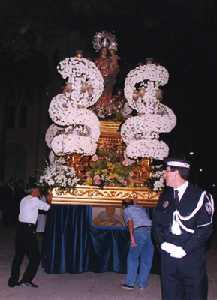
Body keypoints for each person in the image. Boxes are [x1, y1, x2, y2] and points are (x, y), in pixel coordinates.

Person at [152, 157, 214, 300]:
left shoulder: (201, 196)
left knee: (195, 295)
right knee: (169, 295)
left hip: (190, 258)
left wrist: (184, 249)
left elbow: (205, 229)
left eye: (167, 171)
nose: (164, 174)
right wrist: (162, 244)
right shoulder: (165, 195)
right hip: (168, 258)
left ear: (176, 173)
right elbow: (156, 224)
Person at [8, 186, 51, 288]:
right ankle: (26, 280)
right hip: (28, 231)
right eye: (38, 192)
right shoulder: (35, 200)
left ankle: (13, 281)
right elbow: (47, 208)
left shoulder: (24, 199)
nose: (38, 194)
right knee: (35, 257)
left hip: (20, 229)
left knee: (18, 256)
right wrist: (49, 200)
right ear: (35, 192)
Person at [121, 198, 154, 290]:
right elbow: (136, 202)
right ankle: (142, 284)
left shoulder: (127, 210)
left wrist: (132, 238)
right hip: (151, 231)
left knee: (133, 258)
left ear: (123, 206)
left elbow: (130, 222)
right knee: (147, 259)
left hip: (139, 231)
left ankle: (130, 284)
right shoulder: (140, 208)